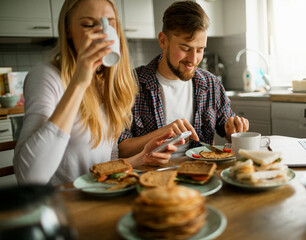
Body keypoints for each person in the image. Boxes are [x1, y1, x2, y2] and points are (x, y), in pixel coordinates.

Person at [13, 0, 181, 186]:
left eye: (109, 22)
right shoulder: (47, 76)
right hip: (62, 204)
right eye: (88, 25)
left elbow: (101, 166)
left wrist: (141, 158)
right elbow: (29, 177)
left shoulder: (110, 82)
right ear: (68, 31)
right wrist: (79, 82)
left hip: (98, 196)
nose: (102, 31)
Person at [117, 1, 249, 158]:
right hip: (151, 175)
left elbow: (228, 129)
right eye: (185, 49)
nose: (193, 59)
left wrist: (235, 129)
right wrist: (162, 133)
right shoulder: (130, 83)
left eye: (200, 50)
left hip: (201, 176)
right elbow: (121, 149)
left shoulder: (211, 84)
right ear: (163, 41)